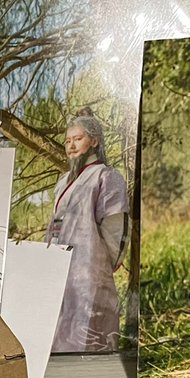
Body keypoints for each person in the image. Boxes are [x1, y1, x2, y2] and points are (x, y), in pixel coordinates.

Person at [46, 108, 129, 353]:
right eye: (67, 141)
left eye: (78, 139)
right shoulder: (64, 180)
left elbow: (115, 225)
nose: (71, 146)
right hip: (61, 260)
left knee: (90, 317)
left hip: (90, 262)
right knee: (62, 319)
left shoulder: (106, 176)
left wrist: (105, 263)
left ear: (94, 141)